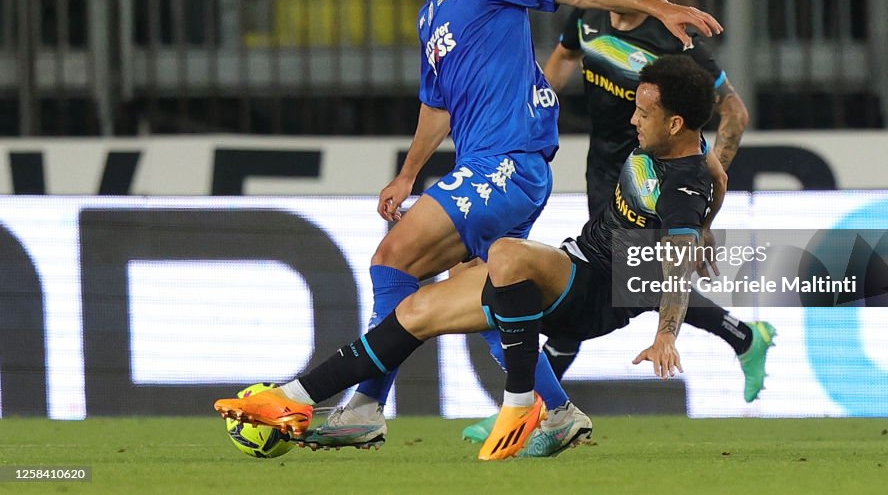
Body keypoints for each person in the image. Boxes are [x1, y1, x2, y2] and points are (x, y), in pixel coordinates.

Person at [296, 0, 723, 452]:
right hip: (483, 164)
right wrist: (408, 174)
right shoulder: (430, 17)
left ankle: (365, 406)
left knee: (393, 256)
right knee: (493, 298)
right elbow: (437, 106)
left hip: (508, 163)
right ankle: (557, 411)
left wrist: (658, 8)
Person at [214, 56, 776, 461]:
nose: (633, 120)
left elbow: (675, 266)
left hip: (597, 293)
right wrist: (708, 223)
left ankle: (521, 403)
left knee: (505, 254)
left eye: (644, 113)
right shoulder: (689, 156)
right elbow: (716, 180)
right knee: (415, 312)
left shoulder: (681, 181)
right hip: (579, 264)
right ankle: (293, 399)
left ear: (674, 124)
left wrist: (667, 334)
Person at [534, 0, 751, 383]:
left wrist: (697, 192)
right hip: (604, 173)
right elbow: (563, 62)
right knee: (621, 282)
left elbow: (734, 113)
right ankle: (744, 336)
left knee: (613, 284)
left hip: (652, 178)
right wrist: (533, 117)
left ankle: (532, 405)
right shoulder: (586, 19)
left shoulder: (672, 40)